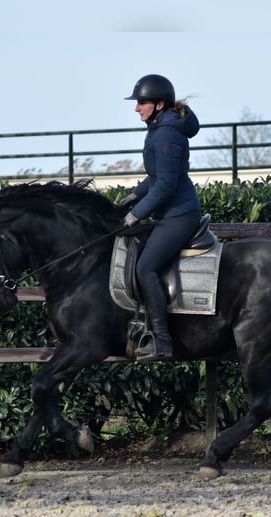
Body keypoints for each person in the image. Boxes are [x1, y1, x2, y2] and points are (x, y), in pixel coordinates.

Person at [120, 74, 202, 361]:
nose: (137, 108)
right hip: (168, 214)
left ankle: (161, 341)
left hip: (179, 215)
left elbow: (167, 185)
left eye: (141, 102)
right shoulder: (158, 127)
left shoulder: (166, 132)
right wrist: (134, 195)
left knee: (146, 269)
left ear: (159, 104)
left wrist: (136, 214)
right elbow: (156, 177)